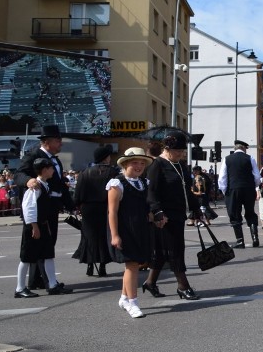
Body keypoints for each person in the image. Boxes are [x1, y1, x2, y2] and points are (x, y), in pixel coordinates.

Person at [143, 133, 204, 300]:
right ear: (167, 149)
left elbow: (186, 189)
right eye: (178, 151)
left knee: (163, 252)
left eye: (183, 151)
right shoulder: (157, 165)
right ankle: (183, 286)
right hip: (163, 216)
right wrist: (157, 211)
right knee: (175, 249)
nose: (181, 154)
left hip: (178, 214)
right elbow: (151, 192)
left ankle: (150, 282)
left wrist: (196, 209)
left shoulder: (180, 165)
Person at [15, 125, 75, 292]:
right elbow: (18, 174)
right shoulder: (34, 155)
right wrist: (28, 180)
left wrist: (71, 206)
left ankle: (39, 280)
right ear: (46, 142)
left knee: (48, 245)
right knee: (36, 248)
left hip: (52, 207)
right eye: (58, 141)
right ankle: (37, 282)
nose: (61, 144)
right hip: (39, 208)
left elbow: (61, 186)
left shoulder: (55, 160)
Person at [107, 148, 157, 318]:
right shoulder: (117, 184)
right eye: (135, 162)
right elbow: (112, 212)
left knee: (134, 265)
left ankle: (123, 297)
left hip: (141, 228)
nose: (139, 166)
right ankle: (133, 302)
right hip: (125, 229)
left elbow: (145, 205)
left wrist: (152, 215)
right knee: (132, 265)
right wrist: (115, 235)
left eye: (142, 163)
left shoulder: (143, 183)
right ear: (126, 164)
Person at [73, 145, 118, 277]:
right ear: (105, 158)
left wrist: (77, 206)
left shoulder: (85, 172)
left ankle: (90, 265)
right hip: (105, 208)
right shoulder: (112, 172)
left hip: (89, 209)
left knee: (89, 237)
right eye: (109, 156)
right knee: (104, 236)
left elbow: (78, 194)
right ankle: (103, 266)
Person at [219, 139, 261, 248]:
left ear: (235, 148)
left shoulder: (227, 159)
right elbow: (257, 176)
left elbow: (222, 177)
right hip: (248, 189)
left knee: (234, 215)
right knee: (250, 213)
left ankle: (240, 241)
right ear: (243, 148)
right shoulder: (250, 158)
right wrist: (254, 187)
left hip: (233, 189)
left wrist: (225, 191)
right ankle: (255, 238)